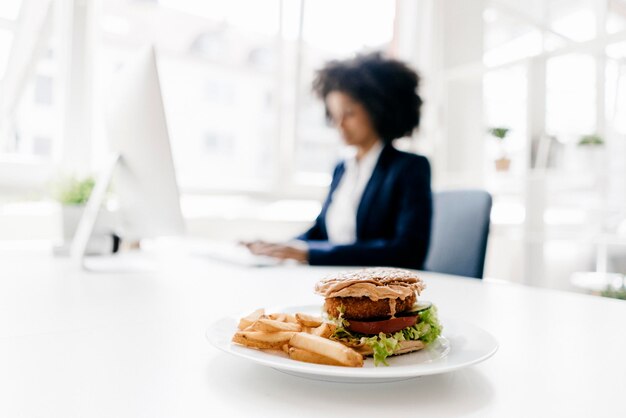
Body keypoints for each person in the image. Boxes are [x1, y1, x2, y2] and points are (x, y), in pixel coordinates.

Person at [245, 52, 432, 269]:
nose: (339, 124)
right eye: (333, 116)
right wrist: (278, 248)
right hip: (338, 281)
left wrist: (311, 253)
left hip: (381, 291)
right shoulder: (343, 168)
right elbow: (321, 231)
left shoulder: (409, 168)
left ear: (378, 110)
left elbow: (407, 252)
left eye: (349, 113)